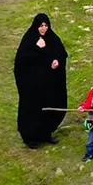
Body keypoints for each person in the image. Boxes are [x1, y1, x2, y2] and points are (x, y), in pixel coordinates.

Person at [14, 14, 68, 149]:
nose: (44, 29)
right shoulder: (29, 40)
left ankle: (46, 133)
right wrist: (38, 48)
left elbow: (61, 53)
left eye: (46, 25)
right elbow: (22, 61)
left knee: (50, 106)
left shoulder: (52, 38)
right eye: (41, 26)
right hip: (33, 85)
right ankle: (30, 137)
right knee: (33, 109)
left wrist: (58, 61)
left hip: (49, 84)